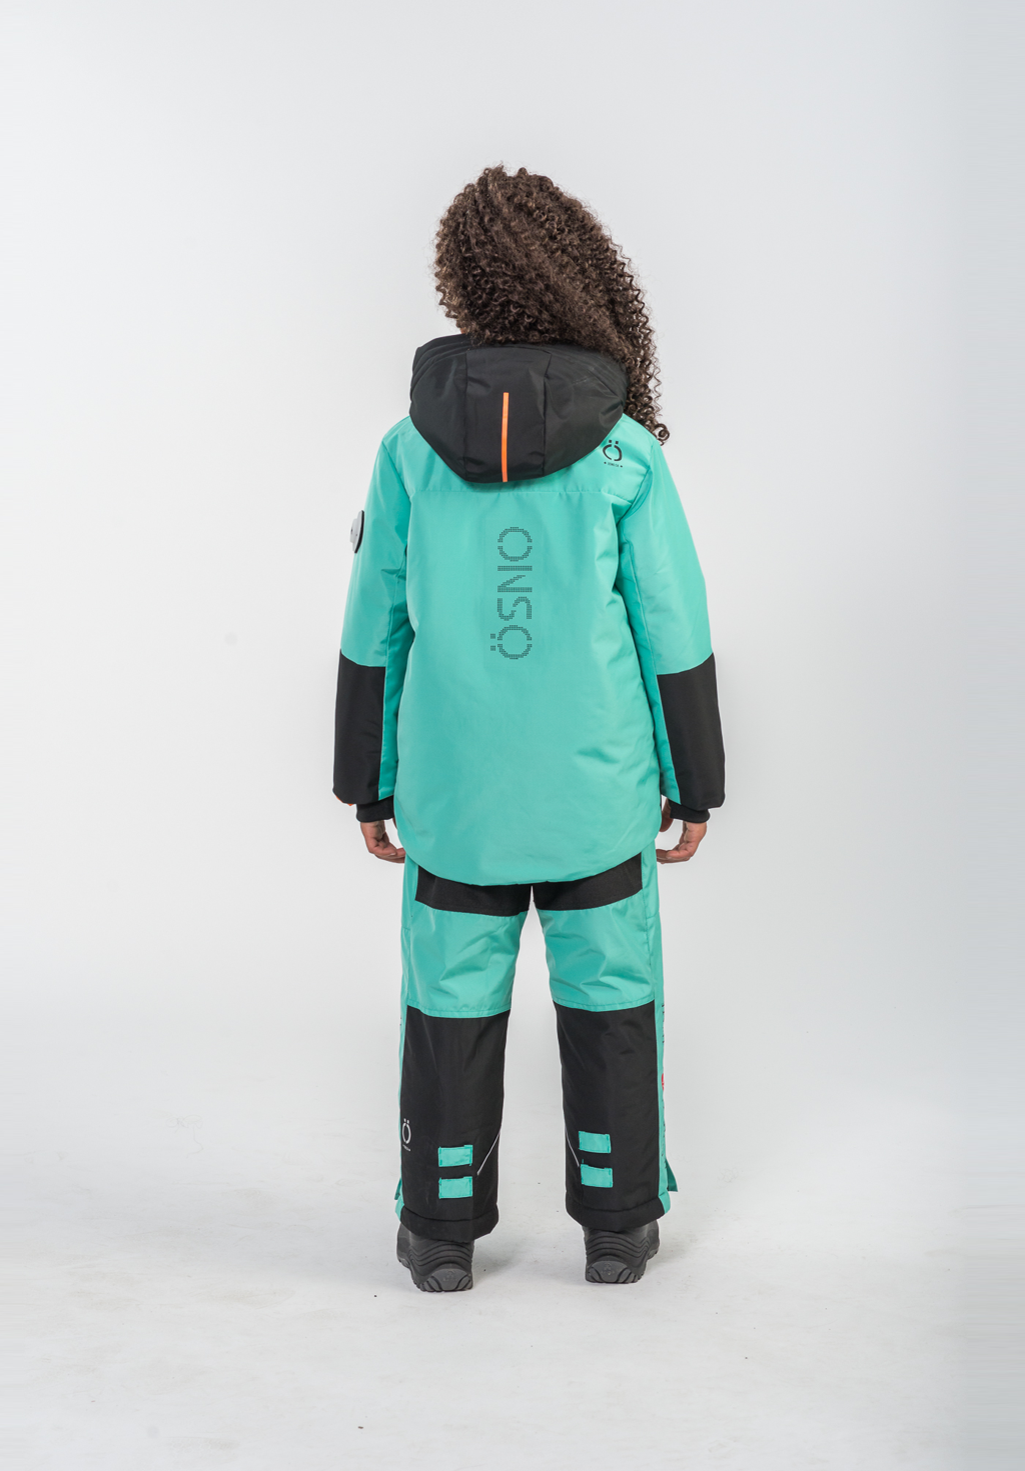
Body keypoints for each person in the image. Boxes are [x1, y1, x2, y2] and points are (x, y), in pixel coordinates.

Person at [333, 165, 724, 1292]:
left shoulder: (409, 452)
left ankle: (440, 1229)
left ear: (461, 283)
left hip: (456, 800)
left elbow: (374, 623)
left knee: (448, 1000)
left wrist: (368, 781)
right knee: (613, 994)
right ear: (578, 275)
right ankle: (619, 1223)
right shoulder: (624, 452)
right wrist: (695, 782)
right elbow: (672, 623)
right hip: (598, 798)